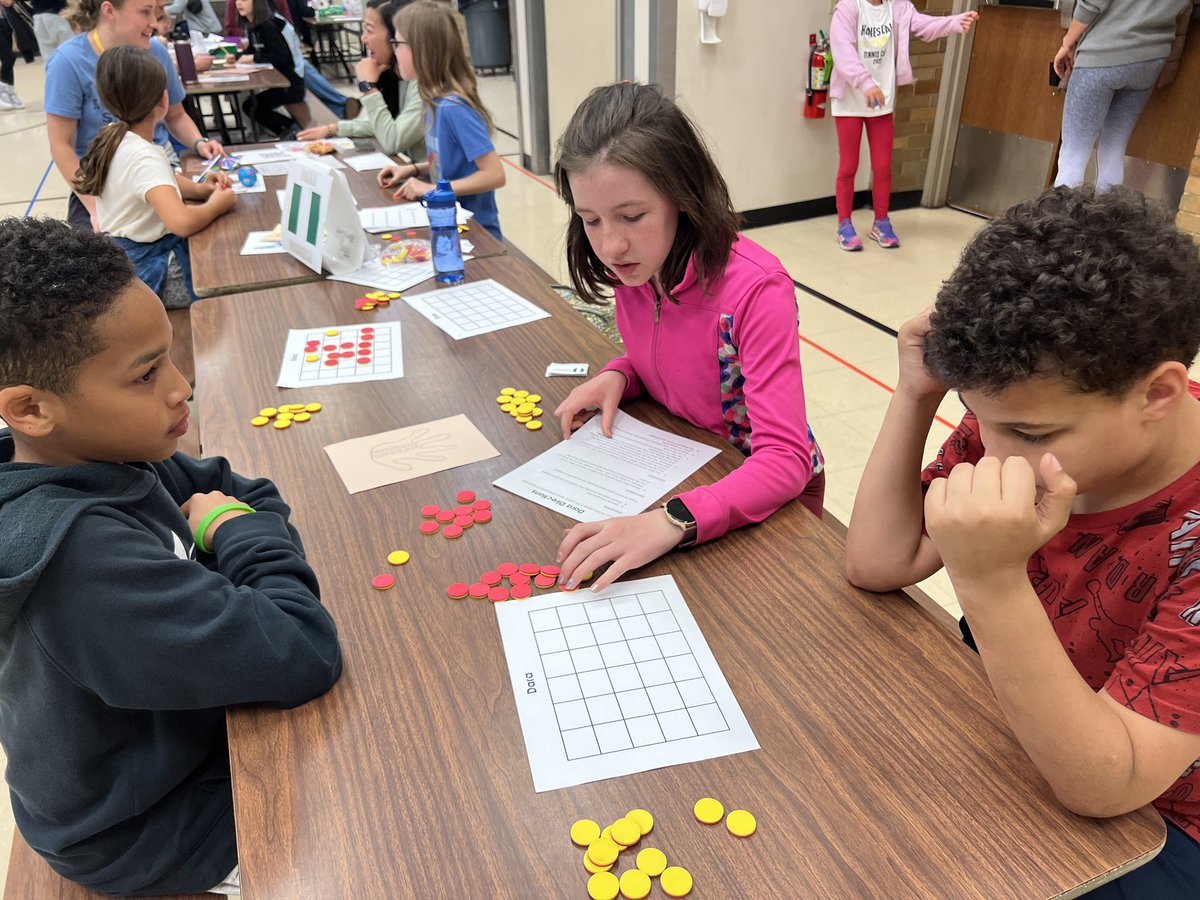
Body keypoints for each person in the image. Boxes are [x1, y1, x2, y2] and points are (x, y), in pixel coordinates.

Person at [845, 186, 1200, 897]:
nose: (996, 451)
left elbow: (1109, 785)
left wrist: (991, 582)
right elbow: (879, 561)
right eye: (978, 416)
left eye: (1029, 434)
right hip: (1012, 721)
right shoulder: (1021, 414)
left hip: (1154, 822)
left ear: (1158, 395)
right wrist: (915, 394)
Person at [0, 216, 343, 895]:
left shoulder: (106, 449)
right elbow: (304, 647)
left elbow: (246, 493)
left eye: (170, 357)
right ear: (31, 409)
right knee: (387, 802)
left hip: (175, 744)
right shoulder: (78, 563)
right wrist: (235, 537)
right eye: (146, 373)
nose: (182, 385)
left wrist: (233, 535)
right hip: (147, 830)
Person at [549, 82, 825, 593]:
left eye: (632, 216)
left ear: (683, 197)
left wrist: (672, 520)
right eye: (590, 220)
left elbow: (786, 459)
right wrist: (622, 373)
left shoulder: (758, 290)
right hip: (686, 463)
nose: (611, 245)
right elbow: (674, 357)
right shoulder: (636, 265)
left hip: (765, 501)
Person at [75, 46, 235, 304]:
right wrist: (217, 204)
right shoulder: (144, 156)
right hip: (148, 275)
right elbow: (182, 222)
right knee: (224, 274)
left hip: (124, 263)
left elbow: (157, 182)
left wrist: (199, 189)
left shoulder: (114, 137)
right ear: (164, 100)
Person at [48, 0, 222, 232]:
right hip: (98, 180)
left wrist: (199, 142)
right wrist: (95, 207)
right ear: (109, 11)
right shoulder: (67, 62)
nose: (155, 23)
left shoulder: (156, 51)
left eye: (154, 12)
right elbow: (61, 145)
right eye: (145, 12)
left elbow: (176, 115)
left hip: (157, 166)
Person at [829, 0, 977, 250]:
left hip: (881, 101)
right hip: (850, 101)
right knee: (848, 165)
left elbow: (922, 25)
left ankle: (881, 222)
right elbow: (843, 51)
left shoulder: (897, 7)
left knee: (883, 166)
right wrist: (866, 83)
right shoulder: (848, 8)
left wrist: (953, 22)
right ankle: (844, 224)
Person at [376, 0, 503, 240]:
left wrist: (432, 189)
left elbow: (494, 174)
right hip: (448, 222)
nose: (394, 50)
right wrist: (413, 169)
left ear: (422, 50)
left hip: (476, 233)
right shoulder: (432, 100)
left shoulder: (454, 107)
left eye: (398, 43)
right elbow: (450, 163)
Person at [1053, 0, 1191, 191]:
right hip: (1151, 59)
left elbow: (1092, 3)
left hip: (1104, 50)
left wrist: (1068, 42)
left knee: (1073, 156)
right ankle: (1108, 210)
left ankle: (1062, 211)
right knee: (1113, 151)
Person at [298, 0, 425, 163]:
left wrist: (369, 87)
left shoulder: (424, 82)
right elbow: (389, 123)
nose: (363, 38)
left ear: (397, 35)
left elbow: (393, 141)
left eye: (369, 30)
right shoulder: (398, 77)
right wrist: (334, 129)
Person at [236, 0, 305, 138]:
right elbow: (252, 51)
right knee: (251, 105)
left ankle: (292, 128)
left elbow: (280, 56)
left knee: (252, 107)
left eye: (244, 0)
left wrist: (253, 58)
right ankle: (288, 131)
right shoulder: (253, 26)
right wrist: (236, 56)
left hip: (290, 85)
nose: (239, 3)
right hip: (277, 83)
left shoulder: (268, 26)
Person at [0, 5, 25, 110]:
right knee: (8, 57)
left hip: (4, 20)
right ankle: (2, 90)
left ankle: (10, 92)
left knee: (8, 58)